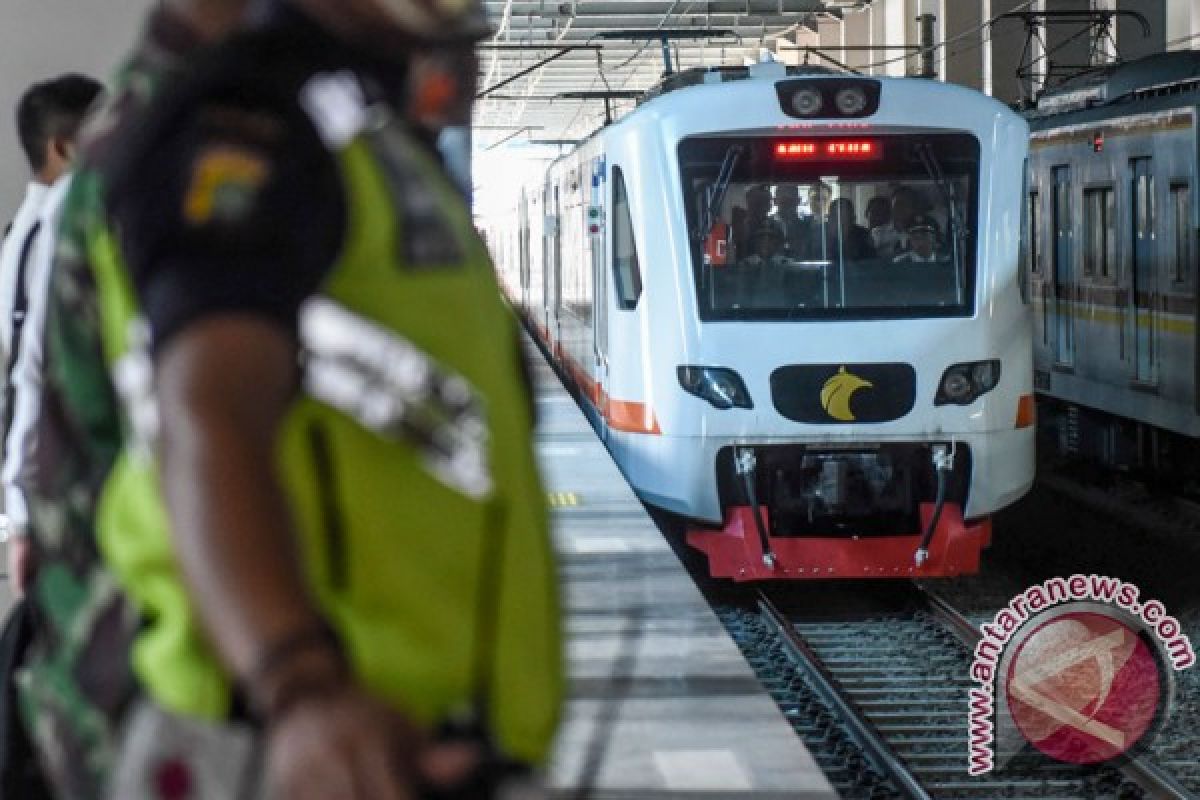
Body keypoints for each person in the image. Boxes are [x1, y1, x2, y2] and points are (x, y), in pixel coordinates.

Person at [27, 2, 564, 799]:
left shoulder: (364, 137)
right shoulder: (251, 123)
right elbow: (208, 410)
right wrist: (301, 685)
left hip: (396, 743)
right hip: (284, 748)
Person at [0, 75, 103, 599]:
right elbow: (31, 375)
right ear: (61, 148)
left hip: (47, 488)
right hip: (66, 490)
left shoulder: (18, 236)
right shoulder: (63, 224)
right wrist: (19, 516)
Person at [872, 186, 920, 259]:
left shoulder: (922, 234)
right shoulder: (877, 233)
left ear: (913, 208)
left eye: (906, 204)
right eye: (898, 204)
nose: (901, 208)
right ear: (891, 206)